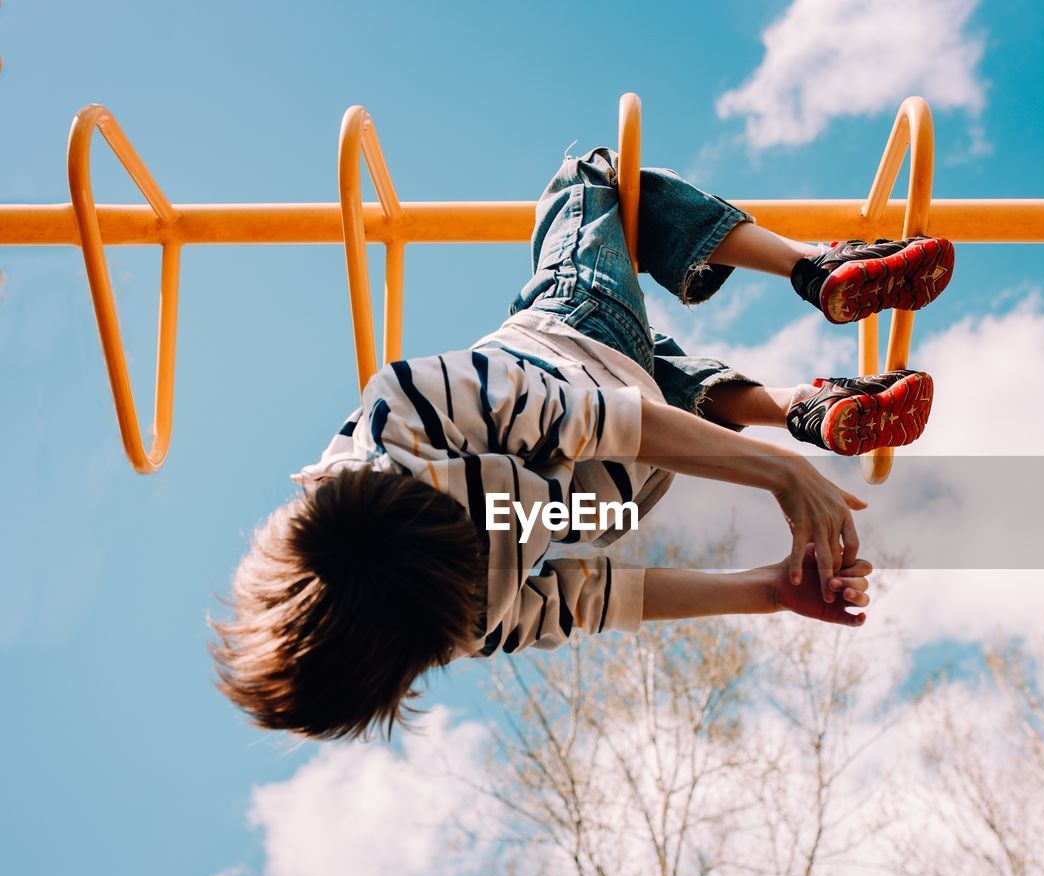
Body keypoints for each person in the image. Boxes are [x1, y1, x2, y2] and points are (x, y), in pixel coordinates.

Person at [210, 147, 954, 740]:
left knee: (659, 386)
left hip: (630, 482)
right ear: (291, 548)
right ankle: (814, 267)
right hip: (584, 348)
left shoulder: (459, 624)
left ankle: (804, 407)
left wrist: (770, 591)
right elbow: (600, 418)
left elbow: (599, 599)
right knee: (595, 181)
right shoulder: (401, 422)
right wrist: (780, 477)